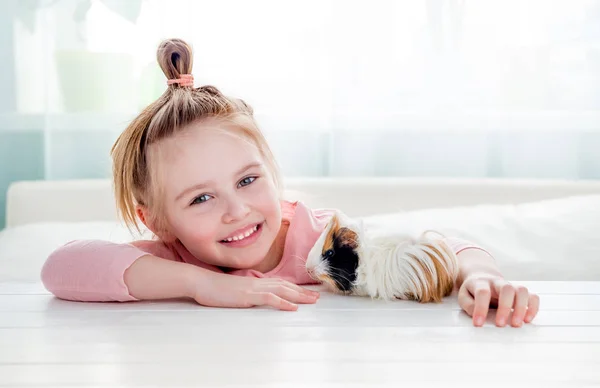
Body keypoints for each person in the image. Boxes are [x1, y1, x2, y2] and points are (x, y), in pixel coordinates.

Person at [40, 38, 539, 328]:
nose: (236, 211)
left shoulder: (318, 244)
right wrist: (201, 285)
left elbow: (444, 248)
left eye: (249, 179)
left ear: (273, 170)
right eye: (202, 197)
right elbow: (59, 268)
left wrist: (479, 276)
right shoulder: (174, 258)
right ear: (159, 221)